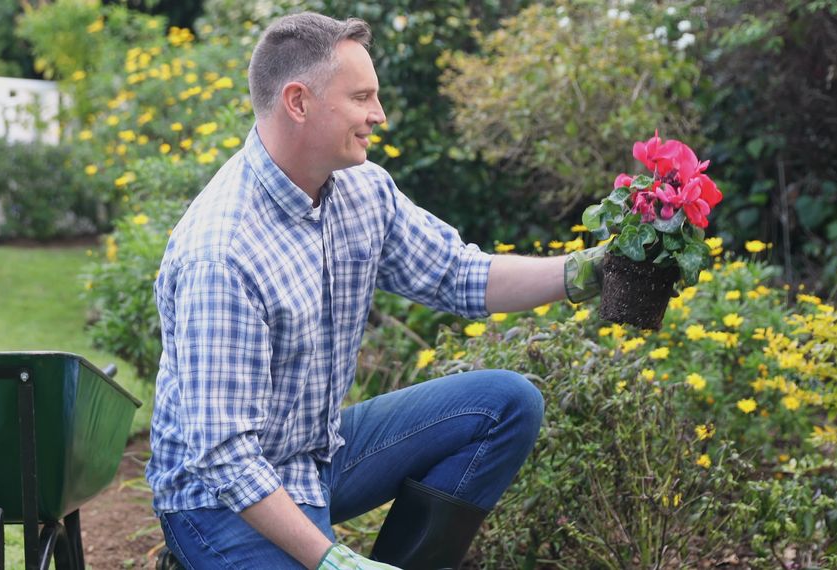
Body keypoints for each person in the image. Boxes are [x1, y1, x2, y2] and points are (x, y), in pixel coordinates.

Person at [146, 12, 602, 570]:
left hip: (318, 455)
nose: (377, 115)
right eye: (362, 97)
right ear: (298, 102)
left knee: (506, 403)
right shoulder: (222, 252)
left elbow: (458, 275)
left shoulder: (363, 191)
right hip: (218, 501)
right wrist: (334, 559)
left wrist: (586, 271)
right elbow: (224, 458)